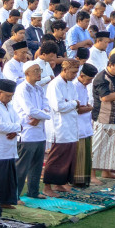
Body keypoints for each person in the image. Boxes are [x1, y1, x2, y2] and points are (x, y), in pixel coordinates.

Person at [43, 60, 81, 194]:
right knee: (56, 158)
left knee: (68, 157)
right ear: (64, 70)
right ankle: (47, 187)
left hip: (70, 125)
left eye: (77, 72)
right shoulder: (55, 84)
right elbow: (58, 106)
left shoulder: (71, 84)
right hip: (58, 126)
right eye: (73, 72)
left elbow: (77, 102)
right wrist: (73, 103)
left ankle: (60, 184)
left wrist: (71, 103)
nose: (75, 75)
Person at [13, 61, 50, 198]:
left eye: (39, 70)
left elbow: (47, 107)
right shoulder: (22, 89)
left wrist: (41, 117)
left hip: (39, 131)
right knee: (22, 167)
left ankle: (33, 192)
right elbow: (30, 110)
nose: (39, 73)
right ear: (27, 73)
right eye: (35, 71)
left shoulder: (39, 88)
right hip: (27, 132)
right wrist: (44, 115)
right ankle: (15, 196)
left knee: (37, 165)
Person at [90, 53, 115, 180]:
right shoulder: (101, 78)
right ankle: (92, 175)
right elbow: (105, 97)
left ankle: (107, 172)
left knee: (111, 147)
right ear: (110, 65)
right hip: (103, 117)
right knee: (98, 146)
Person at [0, 79, 21, 206]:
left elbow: (19, 121)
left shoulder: (9, 105)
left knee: (8, 177)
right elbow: (0, 127)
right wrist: (17, 128)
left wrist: (17, 129)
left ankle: (6, 202)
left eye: (11, 96)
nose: (10, 99)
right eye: (8, 96)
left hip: (10, 146)